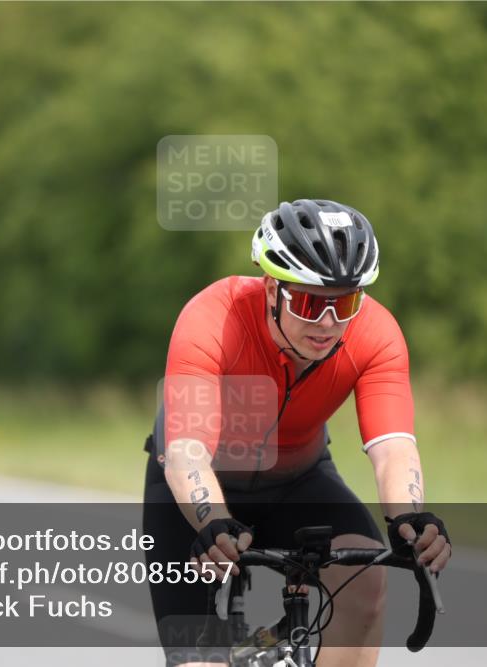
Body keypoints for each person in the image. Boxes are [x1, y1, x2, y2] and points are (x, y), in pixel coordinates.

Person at [142, 199, 451, 667]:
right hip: (198, 489)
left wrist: (408, 520)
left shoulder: (375, 333)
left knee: (366, 580)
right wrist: (210, 523)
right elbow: (187, 451)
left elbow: (392, 446)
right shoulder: (213, 318)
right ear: (272, 289)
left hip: (299, 479)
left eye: (344, 303)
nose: (328, 323)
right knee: (195, 660)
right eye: (309, 302)